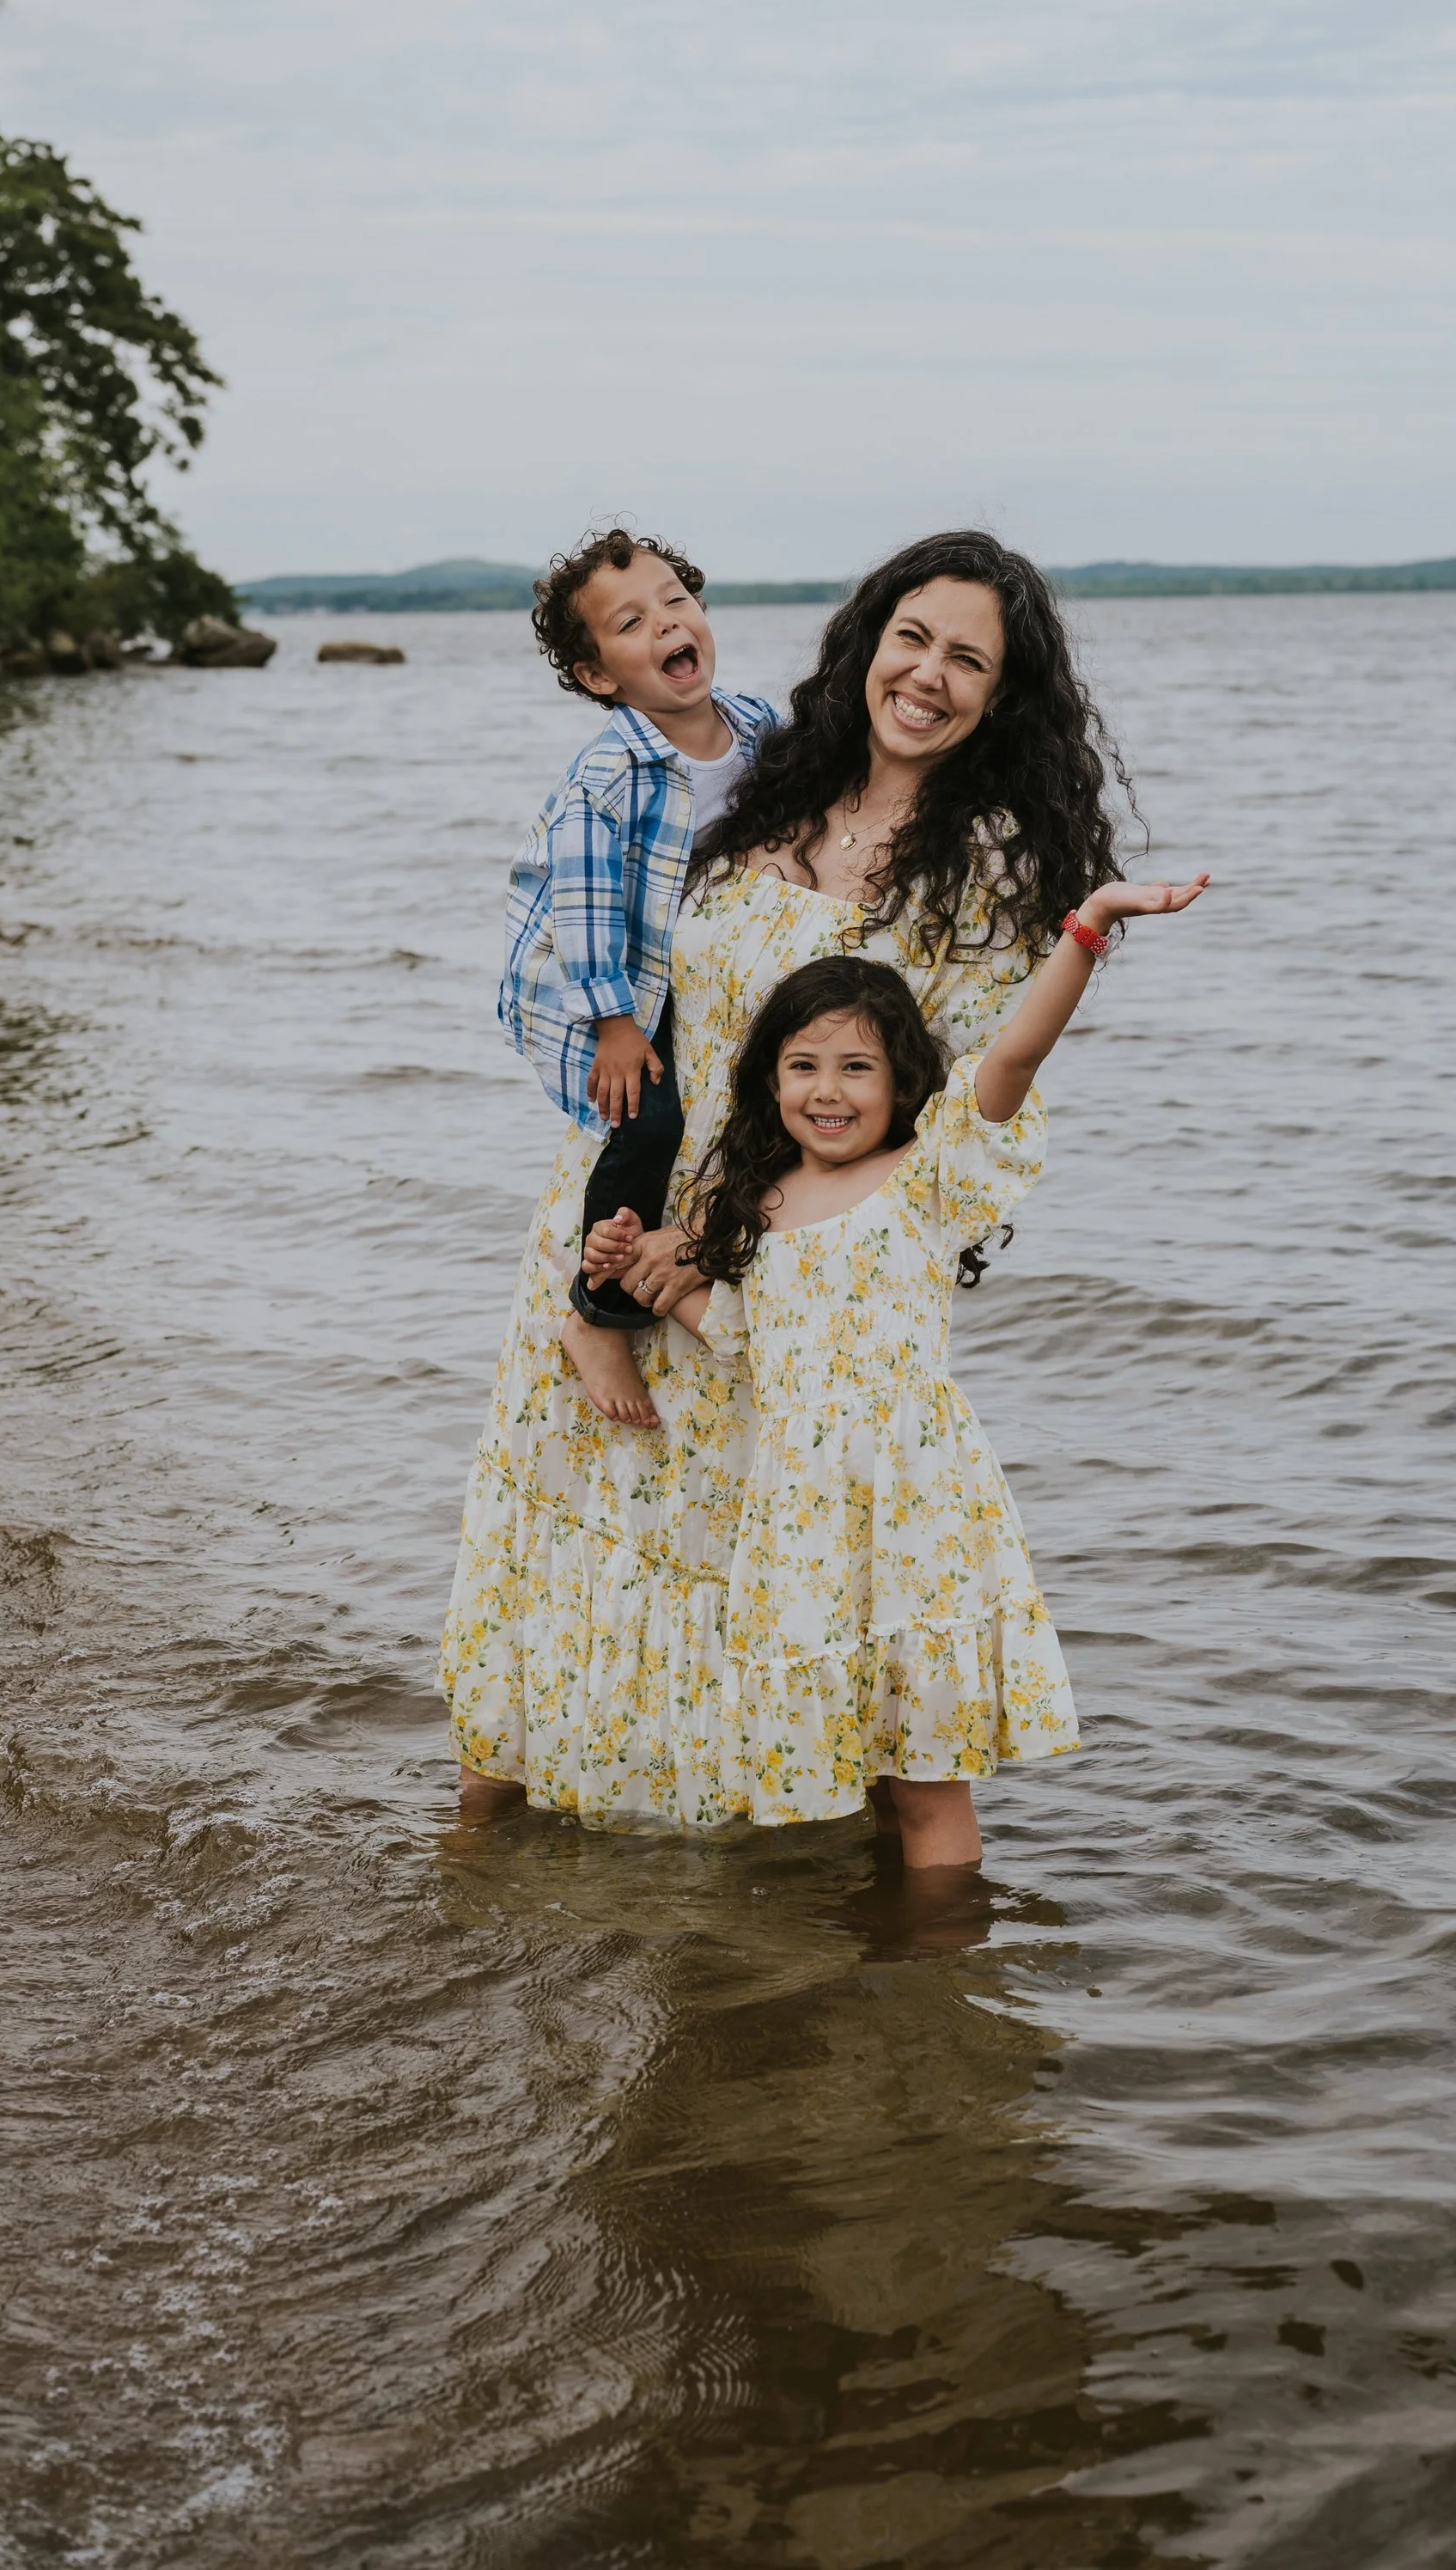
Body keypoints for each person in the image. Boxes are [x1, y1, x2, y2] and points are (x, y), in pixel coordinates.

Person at [444, 529, 1137, 1831]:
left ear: (1005, 692)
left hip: (775, 1269)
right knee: (565, 1567)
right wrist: (615, 1254)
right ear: (869, 639)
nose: (928, 675)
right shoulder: (769, 777)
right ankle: (476, 1888)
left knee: (800, 1595)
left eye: (968, 659)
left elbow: (966, 1111)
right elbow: (604, 947)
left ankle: (823, 1941)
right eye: (912, 637)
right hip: (620, 1215)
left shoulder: (986, 866)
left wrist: (737, 1240)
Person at [582, 895, 1205, 1869]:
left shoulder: (925, 1179)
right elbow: (745, 1337)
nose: (827, 1092)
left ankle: (941, 1967)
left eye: (856, 1067)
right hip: (801, 1517)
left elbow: (1011, 1060)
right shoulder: (756, 1203)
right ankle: (884, 1952)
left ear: (901, 1080)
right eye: (803, 1066)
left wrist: (1088, 926)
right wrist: (632, 1274)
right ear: (769, 1081)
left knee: (925, 1776)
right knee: (862, 1759)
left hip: (912, 1507)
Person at [497, 526, 777, 1429]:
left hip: (670, 961)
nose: (665, 625)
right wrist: (615, 1025)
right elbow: (583, 908)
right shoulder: (609, 771)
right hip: (594, 977)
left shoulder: (757, 725)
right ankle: (596, 1308)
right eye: (630, 622)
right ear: (597, 676)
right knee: (644, 1113)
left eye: (675, 602)